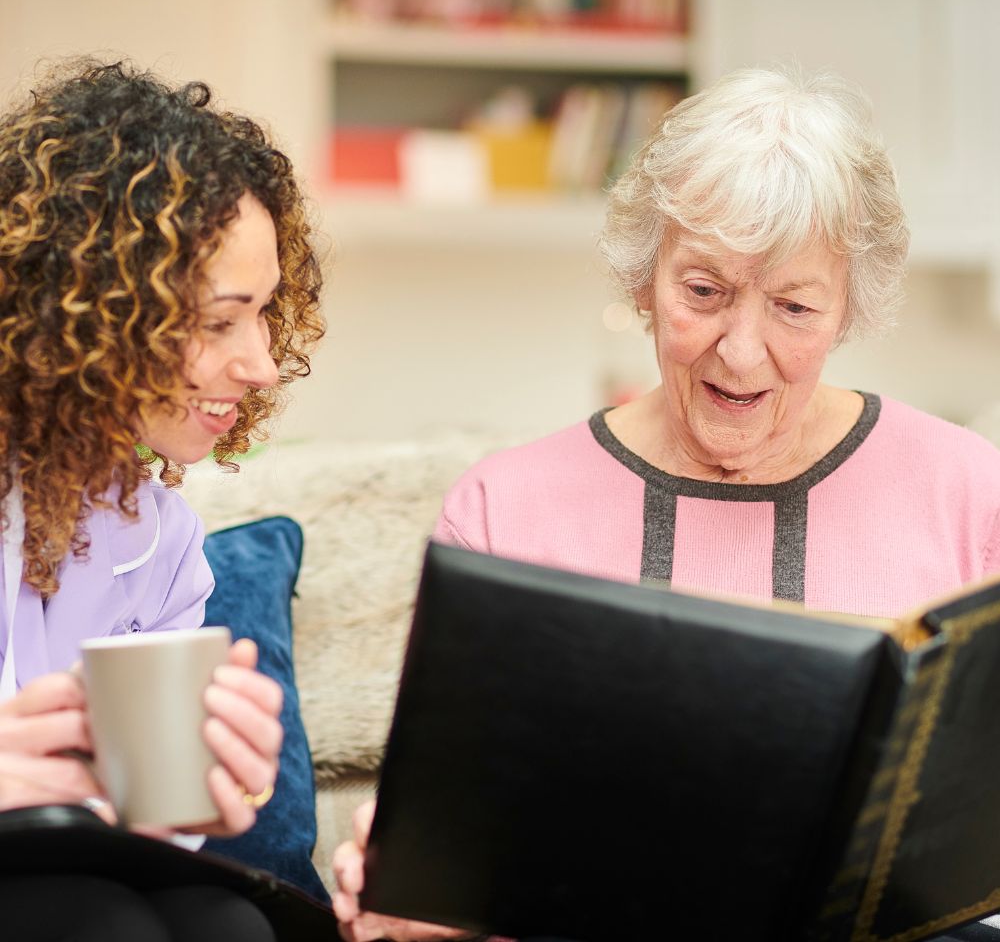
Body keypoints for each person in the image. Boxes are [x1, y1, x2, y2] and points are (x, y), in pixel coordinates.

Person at [332, 65, 1000, 942]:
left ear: (849, 309)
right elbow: (452, 830)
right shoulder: (504, 510)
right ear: (645, 278)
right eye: (704, 292)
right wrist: (410, 893)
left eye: (795, 306)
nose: (742, 351)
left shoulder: (969, 490)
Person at [0, 57, 323, 940]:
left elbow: (148, 825)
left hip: (71, 874)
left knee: (232, 921)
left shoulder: (161, 534)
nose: (259, 363)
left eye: (265, 314)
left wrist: (206, 789)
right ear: (88, 310)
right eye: (220, 320)